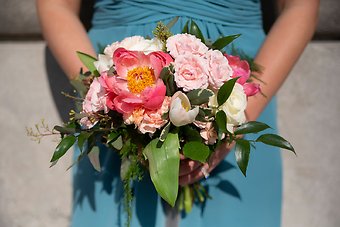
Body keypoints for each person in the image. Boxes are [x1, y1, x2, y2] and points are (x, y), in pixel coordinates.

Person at [36, 0, 319, 226]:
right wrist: (106, 96)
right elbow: (55, 5)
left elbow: (301, 7)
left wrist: (232, 121)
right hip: (119, 80)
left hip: (238, 81)